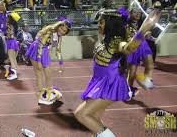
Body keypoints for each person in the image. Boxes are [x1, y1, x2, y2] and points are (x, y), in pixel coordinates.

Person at [74, 9, 161, 137]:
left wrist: (142, 30)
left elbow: (129, 48)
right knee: (94, 118)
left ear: (110, 24)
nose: (99, 25)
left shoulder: (117, 41)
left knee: (81, 114)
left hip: (109, 84)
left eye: (101, 22)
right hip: (100, 82)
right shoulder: (107, 39)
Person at [26, 18, 73, 105]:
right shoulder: (50, 30)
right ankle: (41, 96)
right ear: (59, 25)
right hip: (37, 49)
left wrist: (61, 63)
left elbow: (58, 50)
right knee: (39, 73)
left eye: (64, 31)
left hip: (45, 51)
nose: (62, 31)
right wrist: (39, 61)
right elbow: (40, 45)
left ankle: (48, 92)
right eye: (61, 28)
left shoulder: (59, 37)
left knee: (48, 74)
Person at [126, 7, 155, 96]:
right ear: (130, 13)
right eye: (135, 12)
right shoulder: (126, 23)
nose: (138, 14)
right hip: (133, 47)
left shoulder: (139, 23)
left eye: (139, 12)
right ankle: (128, 90)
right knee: (132, 72)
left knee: (149, 65)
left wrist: (146, 35)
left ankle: (144, 80)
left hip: (142, 45)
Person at [4, 12, 21, 80]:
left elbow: (10, 35)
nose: (6, 19)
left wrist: (5, 35)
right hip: (14, 42)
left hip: (11, 42)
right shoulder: (14, 25)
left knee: (12, 59)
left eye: (7, 17)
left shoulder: (9, 25)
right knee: (12, 59)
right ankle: (11, 72)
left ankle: (14, 74)